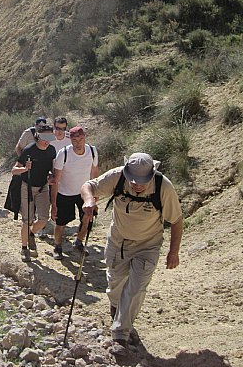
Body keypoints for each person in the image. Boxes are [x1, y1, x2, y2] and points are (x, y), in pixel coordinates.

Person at [81, 152, 183, 353]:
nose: (137, 185)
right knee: (116, 283)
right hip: (118, 241)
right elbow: (89, 186)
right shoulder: (118, 176)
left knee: (136, 288)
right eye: (133, 181)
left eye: (142, 181)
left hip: (148, 245)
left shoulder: (163, 186)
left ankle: (121, 333)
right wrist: (89, 200)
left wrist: (174, 252)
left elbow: (177, 220)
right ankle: (117, 309)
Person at [11, 124, 57, 262]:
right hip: (27, 187)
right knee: (27, 220)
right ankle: (24, 248)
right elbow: (14, 170)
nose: (46, 141)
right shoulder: (29, 150)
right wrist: (25, 168)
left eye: (49, 137)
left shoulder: (52, 151)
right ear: (38, 136)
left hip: (43, 187)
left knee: (43, 219)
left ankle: (31, 234)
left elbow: (51, 169)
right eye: (44, 137)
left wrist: (50, 176)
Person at [51, 126, 99, 260]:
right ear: (70, 140)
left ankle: (78, 242)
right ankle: (57, 246)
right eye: (75, 140)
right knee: (61, 223)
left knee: (87, 219)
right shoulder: (63, 154)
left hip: (84, 193)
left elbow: (95, 173)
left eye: (81, 139)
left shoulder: (92, 151)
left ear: (85, 138)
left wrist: (95, 195)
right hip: (65, 193)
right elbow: (56, 180)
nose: (78, 143)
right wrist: (53, 204)